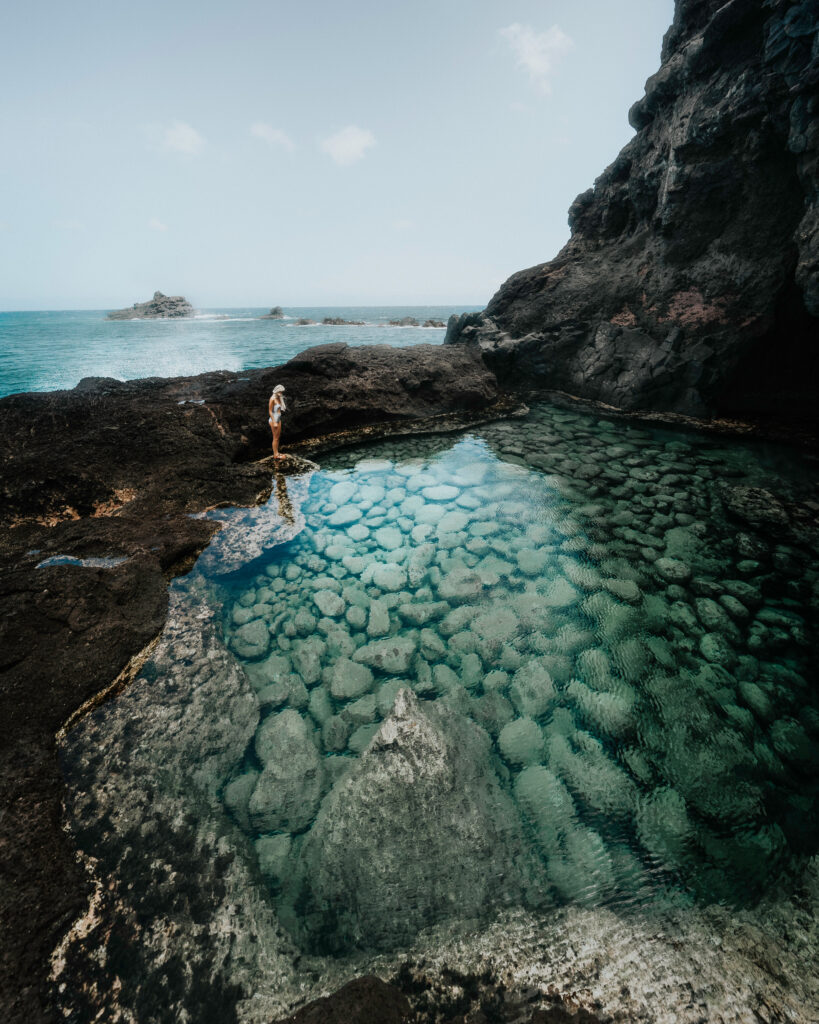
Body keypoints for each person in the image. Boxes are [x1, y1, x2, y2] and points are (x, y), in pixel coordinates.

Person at [268, 384, 287, 460]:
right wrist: (274, 422)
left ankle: (277, 452)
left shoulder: (279, 398)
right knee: (275, 438)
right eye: (280, 391)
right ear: (277, 391)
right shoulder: (272, 399)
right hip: (274, 420)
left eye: (282, 392)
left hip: (278, 418)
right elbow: (270, 411)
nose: (281, 393)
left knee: (278, 437)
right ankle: (275, 454)